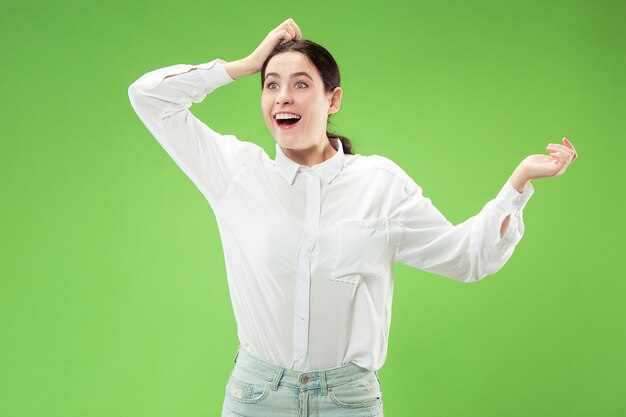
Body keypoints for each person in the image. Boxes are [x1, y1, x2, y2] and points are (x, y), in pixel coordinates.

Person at [128, 18, 578, 417]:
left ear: (333, 99)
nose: (283, 97)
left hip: (349, 400)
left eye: (301, 84)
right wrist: (246, 64)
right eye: (271, 84)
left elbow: (467, 258)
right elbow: (148, 96)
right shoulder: (237, 172)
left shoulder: (380, 183)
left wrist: (517, 185)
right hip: (257, 396)